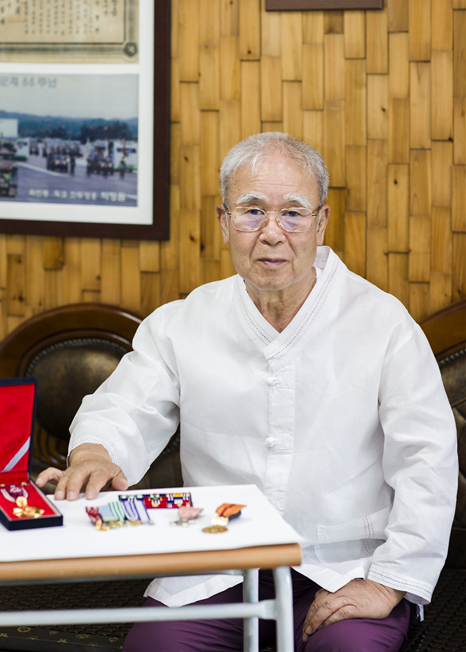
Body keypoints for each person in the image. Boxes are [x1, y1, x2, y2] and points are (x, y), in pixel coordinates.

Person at [37, 133, 458, 652]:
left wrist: (388, 582)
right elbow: (122, 408)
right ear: (223, 221)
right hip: (217, 568)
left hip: (346, 570)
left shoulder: (383, 324)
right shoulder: (182, 323)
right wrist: (96, 453)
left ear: (322, 221)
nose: (272, 234)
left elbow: (428, 463)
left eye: (294, 214)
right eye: (252, 211)